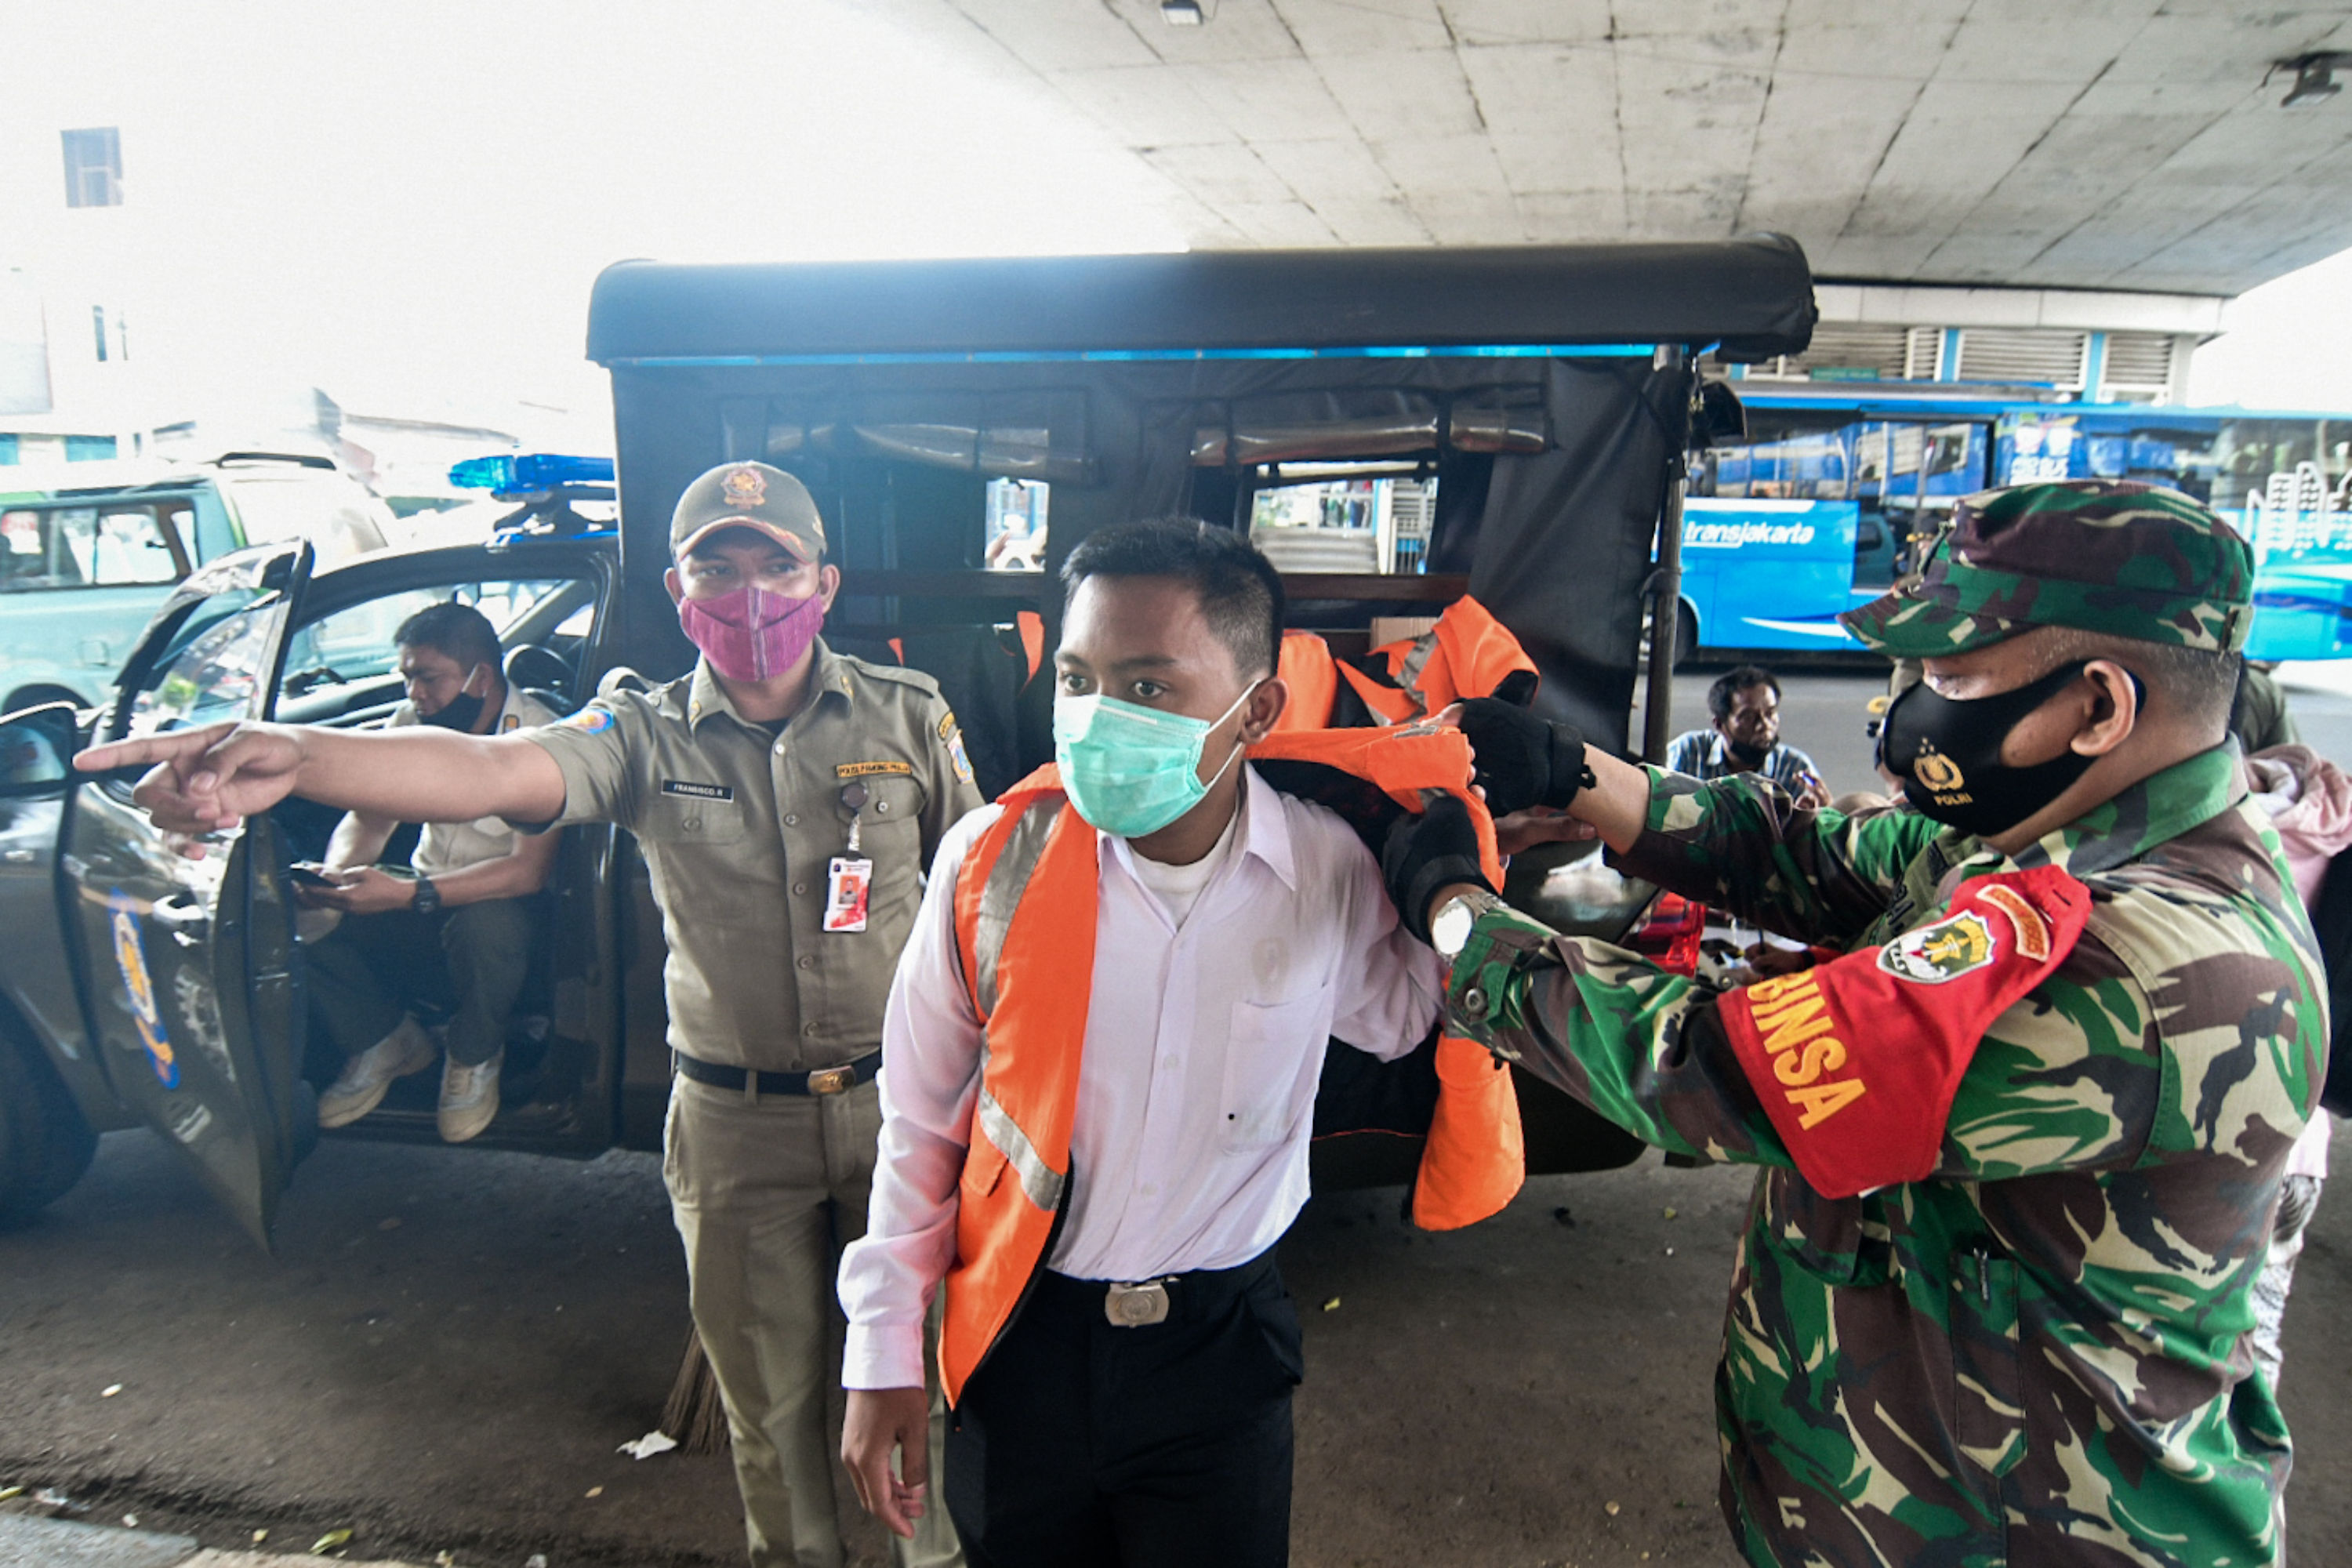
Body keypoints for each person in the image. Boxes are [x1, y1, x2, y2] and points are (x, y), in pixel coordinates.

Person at [1386, 480, 2325, 1566]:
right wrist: (1575, 774)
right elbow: (1813, 851)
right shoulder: (2032, 837)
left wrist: (1465, 924)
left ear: (2100, 706)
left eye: (1954, 675)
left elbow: (1721, 1075)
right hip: (1890, 1506)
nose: (1910, 708)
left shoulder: (2158, 969)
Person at [75, 459, 976, 1568]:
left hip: (901, 1118)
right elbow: (489, 767)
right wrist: (305, 755)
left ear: (823, 580)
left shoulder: (910, 715)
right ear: (677, 586)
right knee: (771, 1422)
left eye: (775, 565)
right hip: (735, 1130)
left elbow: (974, 900)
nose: (750, 593)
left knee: (923, 1402)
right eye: (718, 567)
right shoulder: (639, 732)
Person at [837, 521, 1447, 1568]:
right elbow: (920, 1121)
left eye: (1149, 688)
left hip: (1220, 1362)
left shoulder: (1330, 871)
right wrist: (883, 1348)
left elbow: (1398, 1018)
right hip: (1021, 1343)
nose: (1094, 719)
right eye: (1077, 679)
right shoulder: (990, 865)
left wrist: (1459, 875)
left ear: (1258, 710)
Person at [300, 601, 561, 1142]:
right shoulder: (410, 724)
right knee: (300, 910)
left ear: (480, 677)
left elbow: (525, 873)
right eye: (407, 677)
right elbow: (368, 818)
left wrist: (407, 896)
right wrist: (336, 880)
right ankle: (385, 1040)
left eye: (428, 678)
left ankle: (474, 1055)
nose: (414, 693)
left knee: (489, 926)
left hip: (500, 899)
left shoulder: (540, 736)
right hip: (421, 888)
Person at [2241, 742, 2349, 1392]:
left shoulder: (2200, 844)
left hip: (2224, 1154)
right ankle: (2266, 1488)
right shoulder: (2334, 828)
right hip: (2305, 1146)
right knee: (2260, 1346)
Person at [1664, 664, 1828, 804]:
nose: (1763, 725)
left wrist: (1823, 813)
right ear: (1720, 724)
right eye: (1748, 717)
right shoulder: (1687, 752)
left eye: (1770, 713)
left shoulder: (1794, 769)